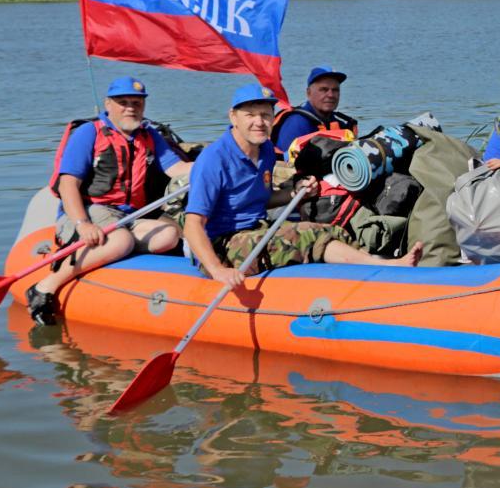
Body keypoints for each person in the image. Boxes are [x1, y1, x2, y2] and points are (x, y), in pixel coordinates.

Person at [187, 84, 422, 289]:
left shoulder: (266, 150)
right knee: (306, 235)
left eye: (266, 115)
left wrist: (296, 193)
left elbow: (261, 199)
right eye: (250, 115)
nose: (259, 122)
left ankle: (374, 267)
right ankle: (386, 266)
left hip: (257, 227)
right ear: (233, 117)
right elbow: (193, 225)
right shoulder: (213, 158)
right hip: (223, 243)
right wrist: (218, 270)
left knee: (333, 230)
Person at [27, 76, 192, 325]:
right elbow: (68, 184)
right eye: (123, 102)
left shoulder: (149, 136)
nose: (130, 108)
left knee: (168, 236)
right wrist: (83, 224)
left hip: (130, 215)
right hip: (89, 212)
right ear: (109, 104)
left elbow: (177, 168)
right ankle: (45, 286)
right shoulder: (88, 133)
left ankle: (113, 253)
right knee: (122, 239)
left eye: (136, 103)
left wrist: (216, 164)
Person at [272, 66, 358, 155]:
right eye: (324, 89)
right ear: (308, 93)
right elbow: (285, 164)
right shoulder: (297, 123)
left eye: (335, 90)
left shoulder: (339, 124)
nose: (331, 95)